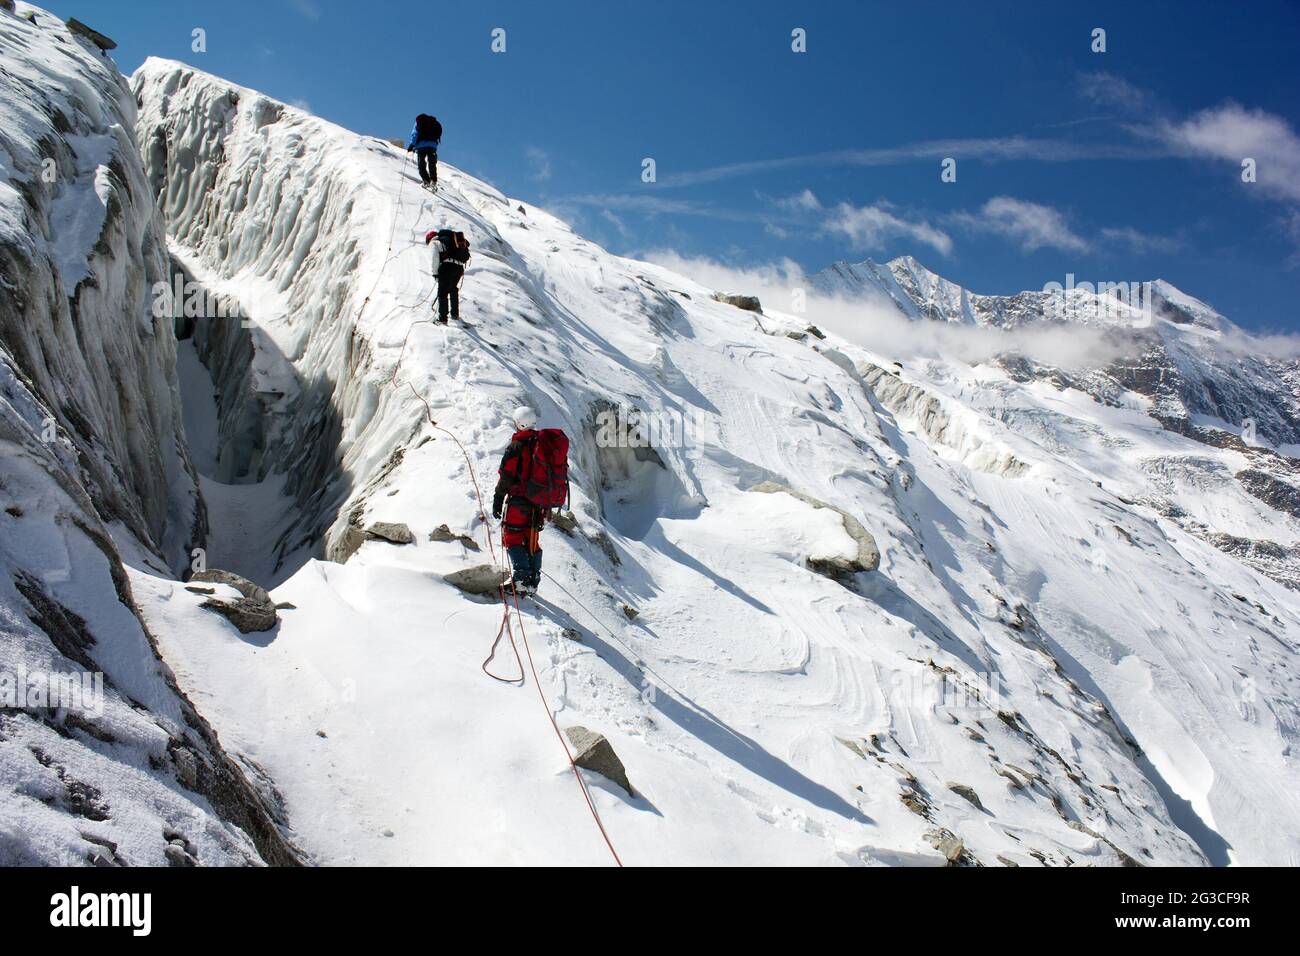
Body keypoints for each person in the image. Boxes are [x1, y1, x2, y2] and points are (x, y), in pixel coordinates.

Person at [491, 407, 569, 595]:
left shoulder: (517, 445)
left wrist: (498, 498)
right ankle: (533, 581)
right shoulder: (542, 444)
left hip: (519, 500)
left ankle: (521, 580)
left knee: (512, 537)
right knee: (531, 539)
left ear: (518, 423)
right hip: (539, 502)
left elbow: (507, 475)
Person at [424, 229, 471, 323]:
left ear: (429, 239)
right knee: (453, 289)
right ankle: (455, 315)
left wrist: (435, 273)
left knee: (442, 292)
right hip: (459, 268)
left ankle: (442, 319)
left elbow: (434, 258)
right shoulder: (449, 240)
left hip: (447, 267)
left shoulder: (434, 242)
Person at [406, 113, 442, 189]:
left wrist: (411, 146)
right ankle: (433, 181)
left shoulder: (418, 122)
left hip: (421, 146)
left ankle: (426, 181)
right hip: (432, 145)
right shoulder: (434, 123)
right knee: (432, 163)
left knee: (421, 164)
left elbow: (415, 134)